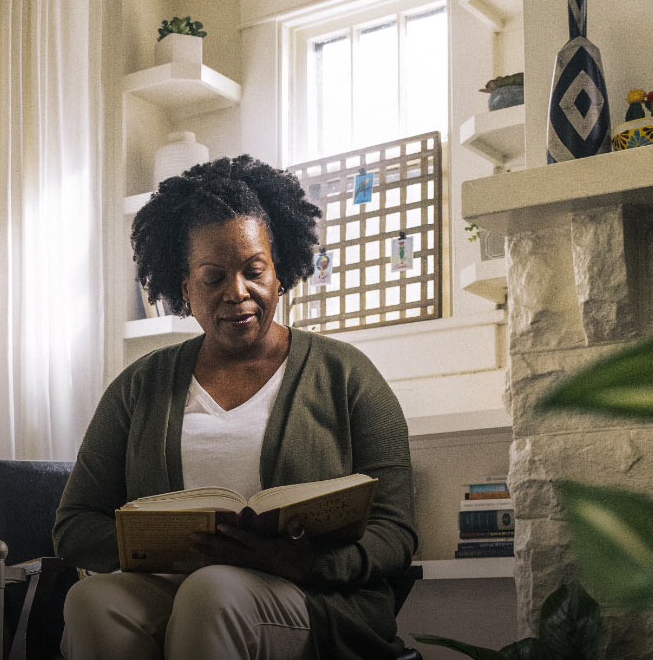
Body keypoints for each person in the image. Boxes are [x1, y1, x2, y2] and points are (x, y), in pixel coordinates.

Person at [55, 156, 416, 660]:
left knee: (214, 593)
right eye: (213, 277)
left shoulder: (347, 375)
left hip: (312, 598)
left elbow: (395, 531)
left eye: (253, 271)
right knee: (93, 600)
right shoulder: (139, 387)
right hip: (175, 584)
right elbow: (74, 525)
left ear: (281, 272)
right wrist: (171, 546)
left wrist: (306, 563)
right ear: (184, 288)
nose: (237, 292)